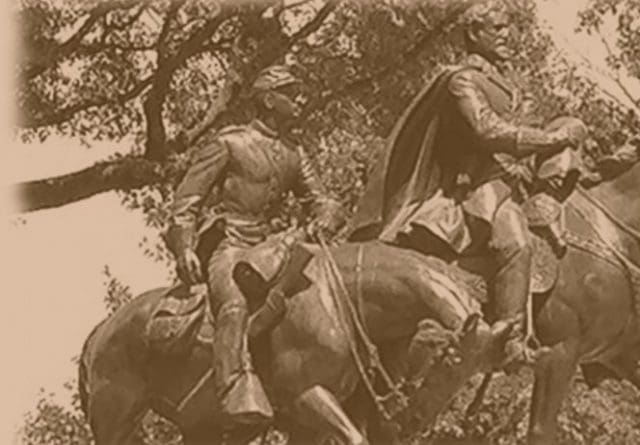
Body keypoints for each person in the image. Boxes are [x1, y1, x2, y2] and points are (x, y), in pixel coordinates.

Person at [350, 3, 588, 368]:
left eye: (509, 28)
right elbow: (488, 131)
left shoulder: (505, 85)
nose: (507, 35)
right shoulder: (461, 80)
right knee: (516, 244)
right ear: (475, 34)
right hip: (473, 188)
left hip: (507, 182)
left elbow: (517, 132)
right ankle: (508, 340)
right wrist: (552, 139)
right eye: (497, 28)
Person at [164, 65, 344, 428]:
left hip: (270, 248)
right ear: (267, 99)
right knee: (234, 303)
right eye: (290, 94)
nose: (298, 100)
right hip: (230, 245)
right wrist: (183, 247)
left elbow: (322, 198)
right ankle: (233, 390)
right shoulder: (228, 142)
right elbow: (186, 202)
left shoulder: (294, 152)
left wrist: (326, 216)